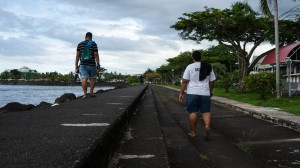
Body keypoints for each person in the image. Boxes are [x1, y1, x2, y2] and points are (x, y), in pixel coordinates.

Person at [179, 50, 216, 140]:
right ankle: (207, 126)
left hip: (192, 93)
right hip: (205, 93)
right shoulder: (208, 66)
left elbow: (184, 81)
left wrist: (181, 92)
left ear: (193, 57)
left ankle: (193, 132)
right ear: (201, 57)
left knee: (193, 112)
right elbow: (212, 81)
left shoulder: (190, 67)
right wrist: (210, 91)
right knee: (206, 112)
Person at [75, 32, 100, 98]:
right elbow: (96, 54)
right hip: (92, 64)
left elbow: (77, 55)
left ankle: (85, 94)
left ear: (85, 37)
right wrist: (98, 64)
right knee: (93, 78)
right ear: (91, 37)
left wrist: (76, 65)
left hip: (83, 64)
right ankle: (91, 93)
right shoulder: (93, 44)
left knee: (84, 77)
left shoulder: (80, 44)